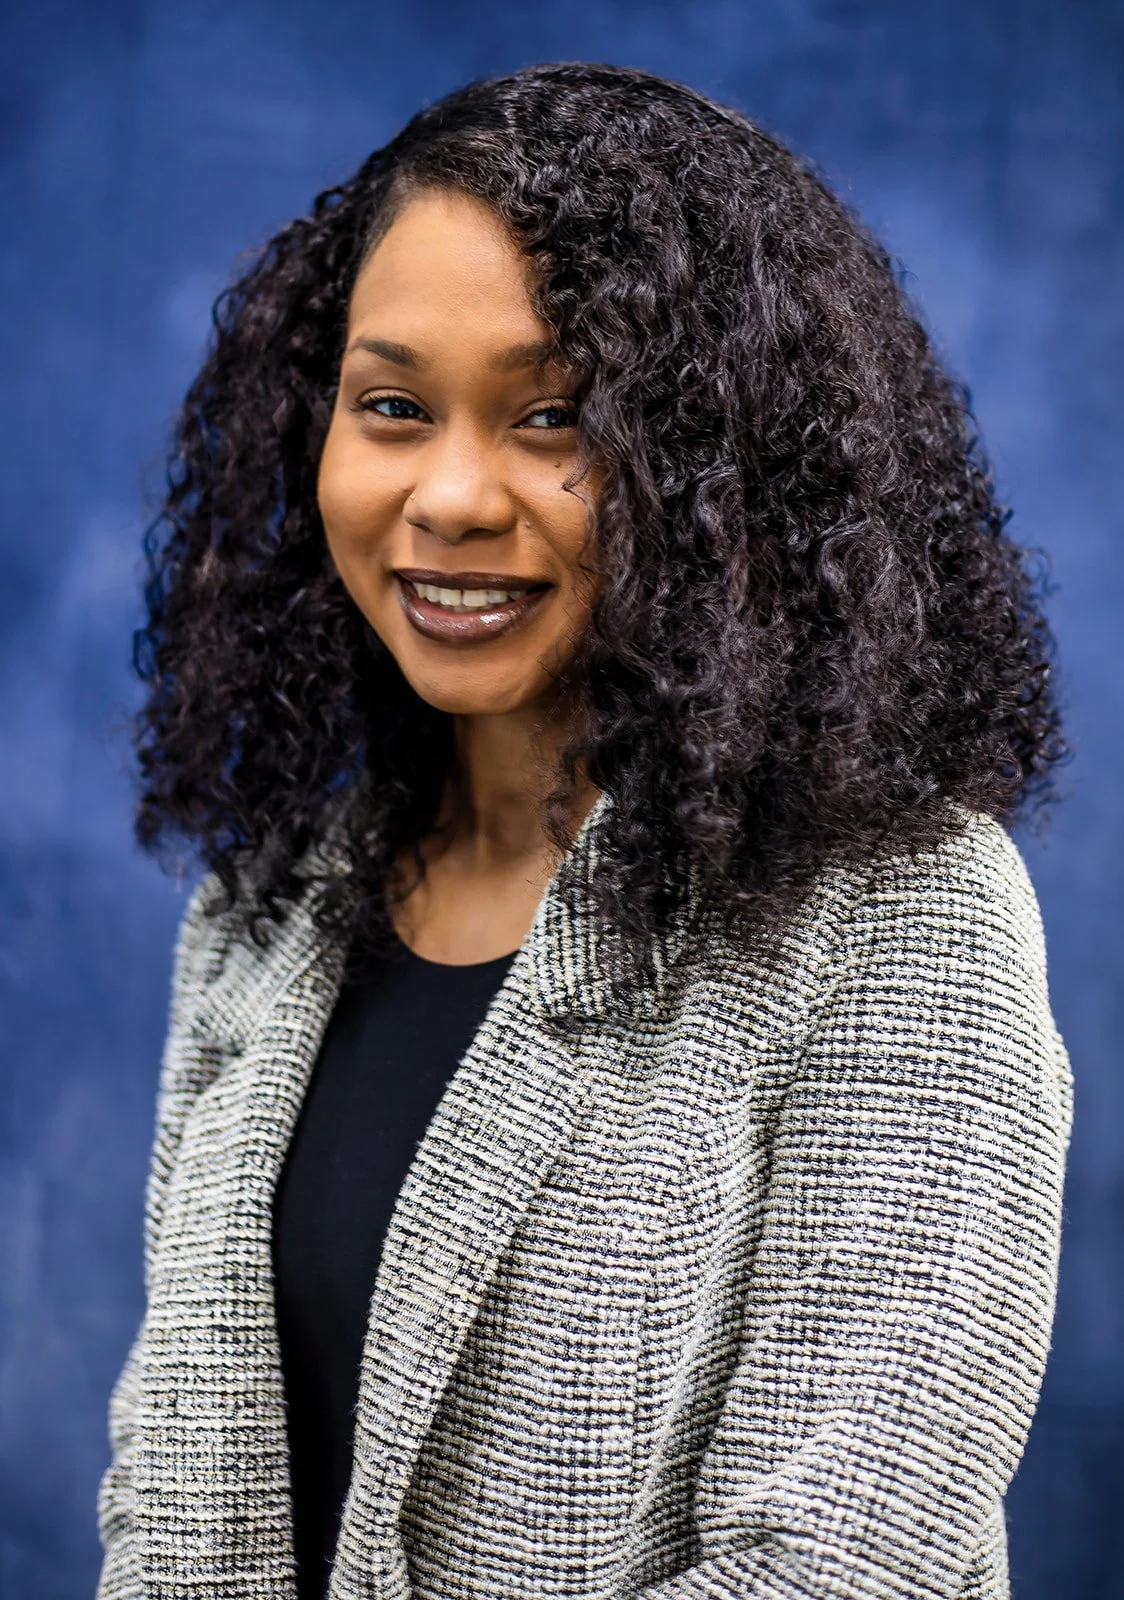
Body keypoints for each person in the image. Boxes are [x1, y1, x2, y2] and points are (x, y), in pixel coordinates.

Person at [95, 62, 1072, 1600]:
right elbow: (167, 1494)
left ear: (721, 470)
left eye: (559, 416)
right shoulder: (267, 907)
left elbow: (840, 1561)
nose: (454, 496)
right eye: (394, 408)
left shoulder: (906, 915)